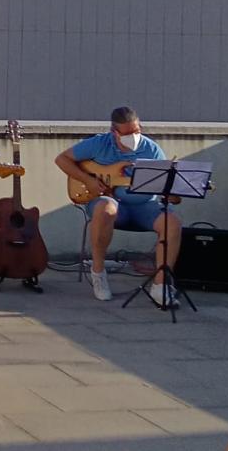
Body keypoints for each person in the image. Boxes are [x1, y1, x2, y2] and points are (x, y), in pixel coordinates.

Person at [55, 105, 180, 308]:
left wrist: (172, 193)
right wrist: (88, 180)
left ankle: (161, 285)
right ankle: (98, 273)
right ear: (115, 132)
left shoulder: (152, 149)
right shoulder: (99, 144)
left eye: (137, 131)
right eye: (128, 133)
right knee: (106, 208)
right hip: (107, 202)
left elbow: (165, 185)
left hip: (144, 206)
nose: (134, 136)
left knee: (172, 222)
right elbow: (62, 159)